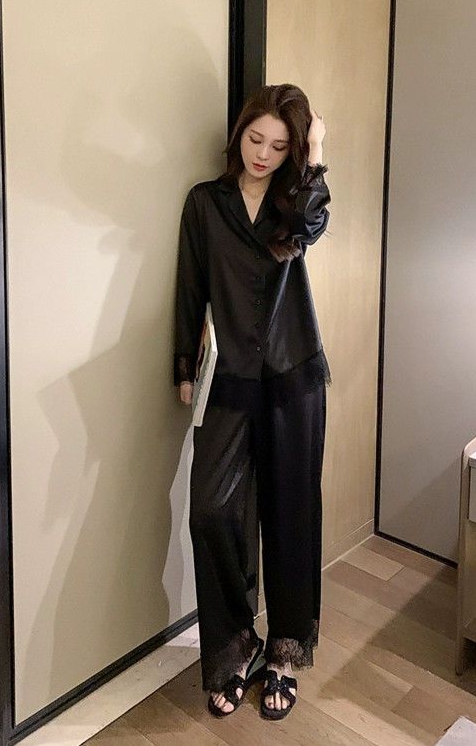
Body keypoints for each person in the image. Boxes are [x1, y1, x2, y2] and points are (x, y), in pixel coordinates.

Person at [173, 83, 332, 720]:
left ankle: (285, 653)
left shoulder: (294, 204)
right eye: (255, 138)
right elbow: (190, 284)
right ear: (238, 134)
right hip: (229, 377)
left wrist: (315, 152)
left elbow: (312, 225)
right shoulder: (205, 203)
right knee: (212, 511)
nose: (263, 154)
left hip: (293, 376)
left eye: (280, 145)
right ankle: (237, 643)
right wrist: (183, 365)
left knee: (290, 514)